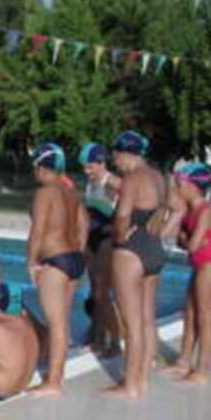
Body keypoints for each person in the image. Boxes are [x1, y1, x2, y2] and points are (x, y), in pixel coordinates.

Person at [103, 130, 171, 398]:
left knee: (132, 325)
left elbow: (122, 215)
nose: (115, 163)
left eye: (115, 157)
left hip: (131, 252)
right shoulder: (158, 177)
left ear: (124, 153)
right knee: (146, 319)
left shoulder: (133, 178)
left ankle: (129, 385)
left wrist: (120, 237)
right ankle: (141, 380)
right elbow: (166, 209)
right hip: (154, 248)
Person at [25, 143, 88, 397]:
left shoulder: (45, 192)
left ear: (41, 167)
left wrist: (31, 262)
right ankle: (53, 370)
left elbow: (38, 230)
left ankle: (53, 382)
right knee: (61, 321)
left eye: (34, 166)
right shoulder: (70, 191)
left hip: (55, 262)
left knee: (56, 324)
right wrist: (78, 250)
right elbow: (84, 224)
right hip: (73, 260)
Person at [163, 163, 211, 385]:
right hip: (199, 265)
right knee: (190, 315)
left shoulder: (206, 210)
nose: (177, 187)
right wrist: (186, 239)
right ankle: (183, 363)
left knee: (204, 317)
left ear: (192, 186)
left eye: (180, 183)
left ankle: (202, 371)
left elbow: (190, 244)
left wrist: (186, 240)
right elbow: (180, 238)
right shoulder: (189, 209)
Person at [79, 142, 123, 357]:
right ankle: (97, 336)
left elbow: (127, 215)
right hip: (92, 241)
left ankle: (114, 341)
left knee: (101, 292)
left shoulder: (114, 184)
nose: (86, 171)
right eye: (84, 167)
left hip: (107, 241)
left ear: (101, 163)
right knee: (94, 292)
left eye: (90, 167)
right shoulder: (91, 183)